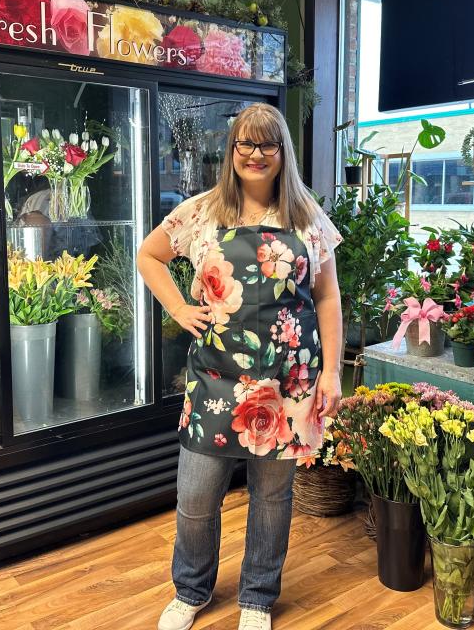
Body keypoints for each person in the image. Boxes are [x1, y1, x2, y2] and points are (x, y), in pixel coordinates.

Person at [137, 103, 344, 630]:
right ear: (231, 151)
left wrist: (333, 372)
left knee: (273, 496)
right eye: (245, 144)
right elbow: (149, 255)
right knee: (197, 492)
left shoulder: (307, 218)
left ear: (283, 154)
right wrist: (179, 308)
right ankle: (191, 589)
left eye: (267, 145)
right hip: (214, 377)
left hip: (288, 381)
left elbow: (327, 298)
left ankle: (256, 597)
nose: (255, 154)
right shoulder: (203, 211)